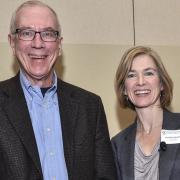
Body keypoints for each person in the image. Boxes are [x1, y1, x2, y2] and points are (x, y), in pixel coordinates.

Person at [0, 1, 117, 179]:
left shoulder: (90, 107)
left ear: (59, 44)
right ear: (12, 42)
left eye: (48, 33)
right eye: (26, 33)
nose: (38, 43)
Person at [111, 46, 180, 180]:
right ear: (124, 89)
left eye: (149, 73)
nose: (140, 82)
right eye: (131, 75)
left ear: (161, 84)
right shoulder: (118, 145)